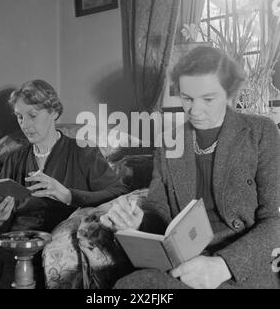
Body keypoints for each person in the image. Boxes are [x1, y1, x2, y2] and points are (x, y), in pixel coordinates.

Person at [100, 46, 280, 289]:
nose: (194, 110)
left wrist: (223, 265)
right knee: (130, 286)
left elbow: (274, 219)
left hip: (241, 268)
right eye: (187, 98)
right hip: (186, 263)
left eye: (208, 99)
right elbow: (158, 209)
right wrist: (139, 221)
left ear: (229, 93)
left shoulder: (261, 131)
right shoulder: (169, 141)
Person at [0, 79, 129, 288]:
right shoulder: (14, 159)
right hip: (15, 245)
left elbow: (120, 192)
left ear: (54, 112)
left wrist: (68, 195)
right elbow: (2, 219)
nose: (25, 124)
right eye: (20, 117)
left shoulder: (83, 152)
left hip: (58, 244)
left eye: (32, 115)